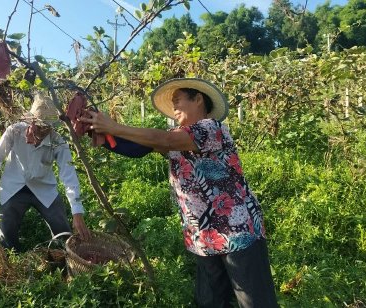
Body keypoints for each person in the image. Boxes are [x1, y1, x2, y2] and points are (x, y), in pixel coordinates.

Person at [80, 78, 278, 307]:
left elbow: (162, 139)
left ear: (198, 99)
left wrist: (113, 126)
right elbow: (136, 148)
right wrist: (98, 131)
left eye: (178, 100)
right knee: (209, 302)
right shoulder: (176, 135)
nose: (173, 107)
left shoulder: (212, 128)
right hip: (204, 236)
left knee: (255, 302)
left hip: (237, 230)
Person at [0, 92, 91, 252]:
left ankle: (65, 258)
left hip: (44, 188)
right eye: (39, 125)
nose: (42, 130)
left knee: (62, 230)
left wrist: (77, 212)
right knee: (7, 230)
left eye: (47, 127)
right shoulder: (14, 132)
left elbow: (69, 175)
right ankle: (12, 260)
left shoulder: (57, 141)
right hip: (14, 187)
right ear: (31, 120)